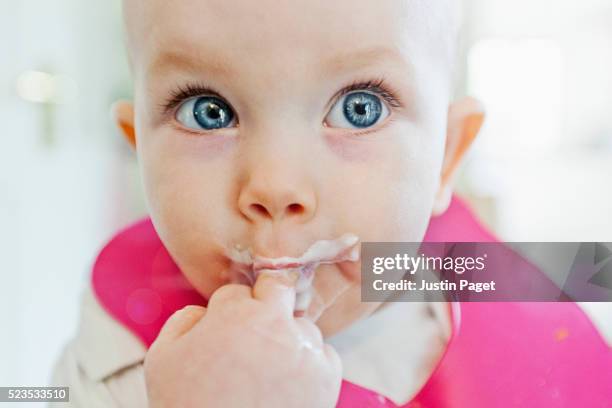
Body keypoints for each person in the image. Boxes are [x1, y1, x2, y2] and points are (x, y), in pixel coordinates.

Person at [51, 0, 612, 407]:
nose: (275, 186)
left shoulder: (483, 275)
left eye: (359, 108)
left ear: (445, 157)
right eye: (208, 111)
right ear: (140, 152)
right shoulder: (111, 369)